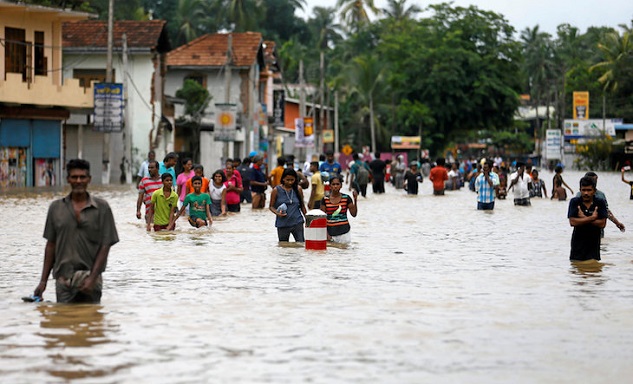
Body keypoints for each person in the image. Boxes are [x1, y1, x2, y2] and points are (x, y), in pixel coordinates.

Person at [33, 159, 119, 303]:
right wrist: (43, 282)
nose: (78, 181)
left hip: (90, 279)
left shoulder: (102, 208)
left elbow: (106, 245)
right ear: (68, 179)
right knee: (64, 321)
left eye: (82, 177)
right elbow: (51, 245)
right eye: (74, 177)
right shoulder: (56, 208)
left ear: (89, 179)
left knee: (91, 320)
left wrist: (92, 278)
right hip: (63, 281)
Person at [568, 176, 608, 261]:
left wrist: (583, 218)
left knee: (594, 270)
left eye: (589, 190)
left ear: (594, 191)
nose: (586, 193)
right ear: (580, 190)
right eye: (583, 190)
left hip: (593, 246)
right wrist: (592, 218)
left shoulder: (600, 202)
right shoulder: (575, 202)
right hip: (577, 246)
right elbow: (572, 222)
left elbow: (602, 224)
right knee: (576, 270)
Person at [269, 168, 307, 242]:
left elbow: (302, 206)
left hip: (297, 222)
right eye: (287, 180)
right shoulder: (276, 190)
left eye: (292, 180)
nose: (290, 182)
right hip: (283, 224)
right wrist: (277, 213)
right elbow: (271, 206)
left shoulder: (298, 189)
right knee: (283, 246)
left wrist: (307, 220)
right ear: (283, 179)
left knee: (301, 244)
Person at [320, 176, 358, 244]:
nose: (335, 186)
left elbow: (354, 214)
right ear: (330, 186)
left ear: (341, 186)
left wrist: (355, 200)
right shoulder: (325, 199)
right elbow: (321, 218)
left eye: (337, 184)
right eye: (333, 184)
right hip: (331, 233)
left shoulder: (346, 198)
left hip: (344, 232)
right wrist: (326, 235)